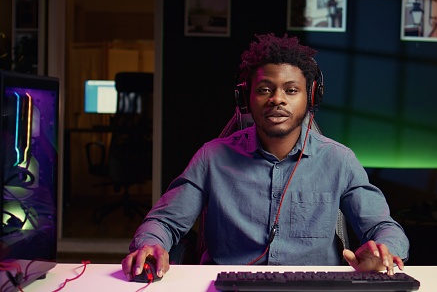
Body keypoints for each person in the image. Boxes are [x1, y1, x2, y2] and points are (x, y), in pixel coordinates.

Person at [122, 33, 409, 281]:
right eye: (264, 89)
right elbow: (164, 222)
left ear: (311, 97)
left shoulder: (339, 161)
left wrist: (383, 251)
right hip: (228, 286)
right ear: (246, 98)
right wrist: (151, 244)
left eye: (291, 90)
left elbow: (385, 229)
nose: (277, 99)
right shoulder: (212, 158)